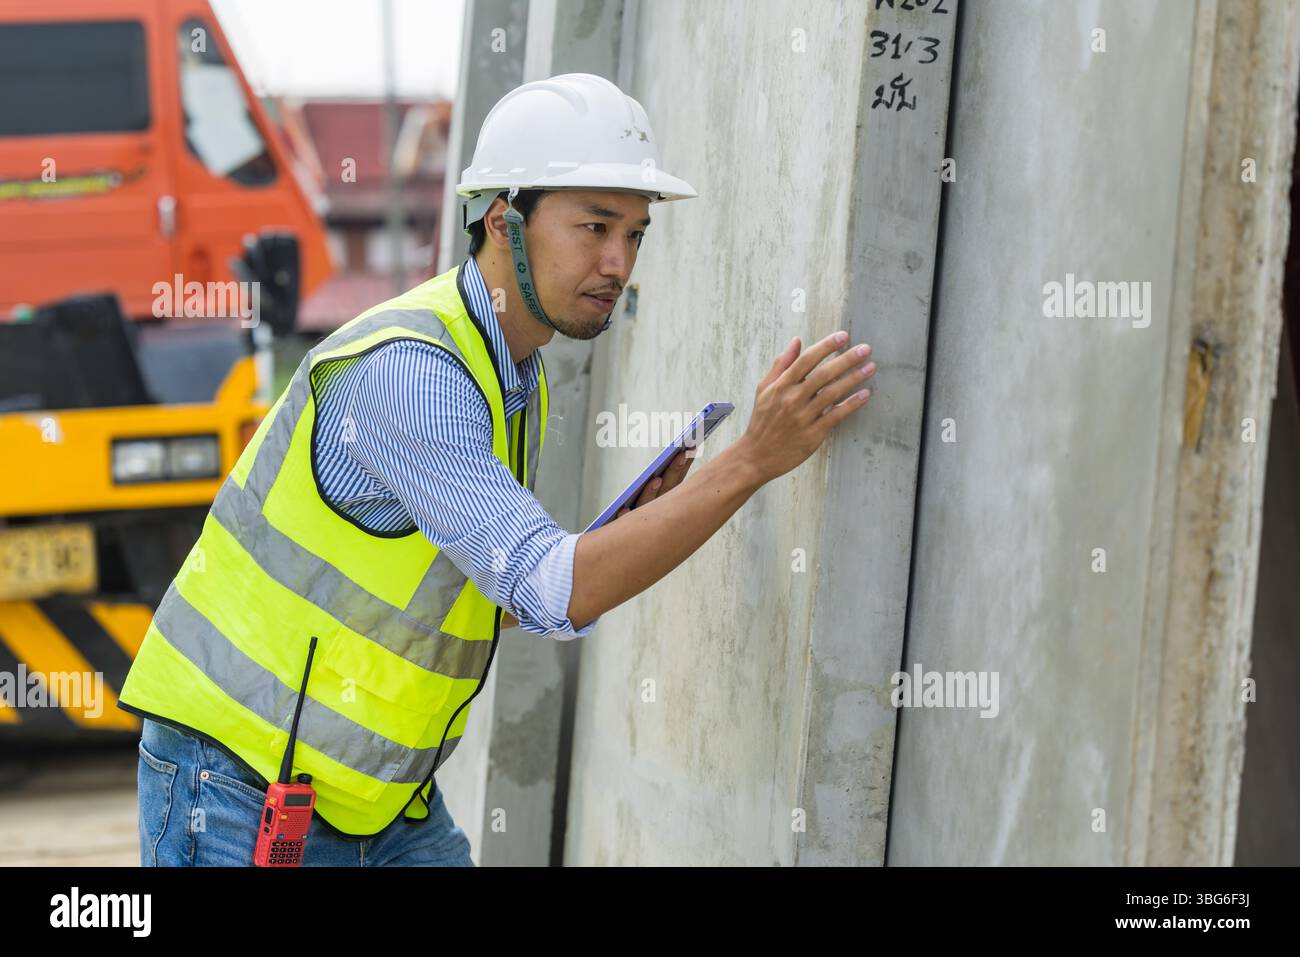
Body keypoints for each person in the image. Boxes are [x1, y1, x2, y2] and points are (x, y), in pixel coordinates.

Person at [120, 72, 876, 867]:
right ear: (502, 220)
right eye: (593, 226)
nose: (618, 262)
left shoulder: (512, 373)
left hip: (376, 794)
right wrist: (754, 460)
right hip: (242, 786)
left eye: (636, 233)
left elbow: (491, 596)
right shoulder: (411, 375)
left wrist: (624, 532)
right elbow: (553, 591)